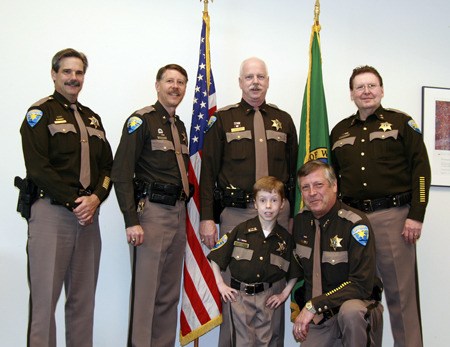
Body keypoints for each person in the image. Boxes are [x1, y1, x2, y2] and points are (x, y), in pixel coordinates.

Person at [199, 57, 298, 346]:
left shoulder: (285, 120)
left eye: (261, 77)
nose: (255, 82)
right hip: (235, 215)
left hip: (277, 216)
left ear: (268, 81)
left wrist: (291, 215)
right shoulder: (222, 120)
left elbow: (292, 175)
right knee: (234, 290)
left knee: (275, 286)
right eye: (249, 77)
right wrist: (207, 217)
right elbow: (208, 173)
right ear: (240, 82)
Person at [330, 65, 431, 347]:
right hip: (354, 223)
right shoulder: (339, 131)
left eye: (371, 85)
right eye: (360, 87)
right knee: (363, 298)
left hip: (394, 219)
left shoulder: (401, 123)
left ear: (382, 90)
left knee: (401, 297)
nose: (366, 91)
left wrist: (416, 215)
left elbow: (421, 172)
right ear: (351, 94)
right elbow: (334, 180)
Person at [19, 48, 113, 347]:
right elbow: (38, 168)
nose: (74, 78)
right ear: (54, 74)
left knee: (83, 303)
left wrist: (96, 198)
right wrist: (76, 202)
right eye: (68, 72)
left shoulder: (92, 119)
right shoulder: (40, 113)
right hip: (52, 215)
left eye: (79, 73)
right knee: (45, 304)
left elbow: (108, 168)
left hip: (88, 218)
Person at [111, 64, 189, 347]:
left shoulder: (179, 127)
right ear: (157, 85)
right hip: (152, 214)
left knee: (168, 295)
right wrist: (131, 220)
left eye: (181, 82)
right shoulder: (141, 120)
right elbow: (120, 172)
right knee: (145, 296)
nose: (175, 87)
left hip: (178, 215)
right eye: (170, 81)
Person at [292, 160, 383, 346]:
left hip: (357, 308)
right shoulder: (301, 221)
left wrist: (314, 305)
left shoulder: (355, 224)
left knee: (351, 311)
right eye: (305, 187)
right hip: (321, 317)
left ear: (334, 186)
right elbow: (293, 268)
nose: (312, 193)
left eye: (318, 185)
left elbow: (361, 285)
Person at [208, 176, 299, 346]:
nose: (268, 206)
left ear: (282, 204)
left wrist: (284, 294)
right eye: (263, 200)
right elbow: (216, 257)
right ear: (255, 203)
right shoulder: (241, 230)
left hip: (267, 298)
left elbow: (294, 271)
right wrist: (220, 285)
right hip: (240, 297)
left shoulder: (285, 239)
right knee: (243, 343)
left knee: (266, 342)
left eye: (274, 200)